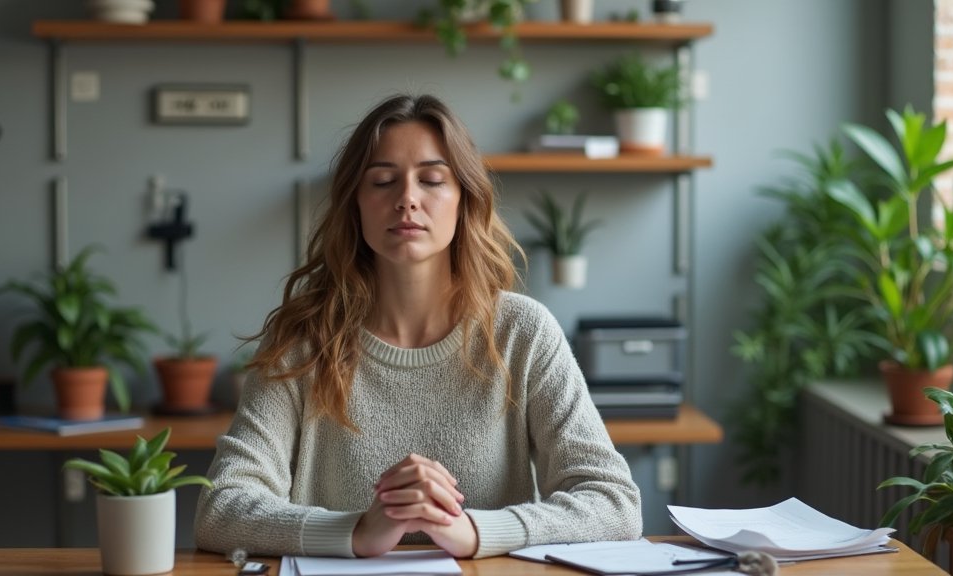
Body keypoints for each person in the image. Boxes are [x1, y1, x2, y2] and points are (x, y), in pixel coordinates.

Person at [194, 93, 642, 559]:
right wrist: (358, 532)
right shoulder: (303, 339)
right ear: (356, 204)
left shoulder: (523, 332)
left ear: (464, 200)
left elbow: (614, 503)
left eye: (431, 180)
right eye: (384, 181)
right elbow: (221, 508)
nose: (407, 199)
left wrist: (473, 531)